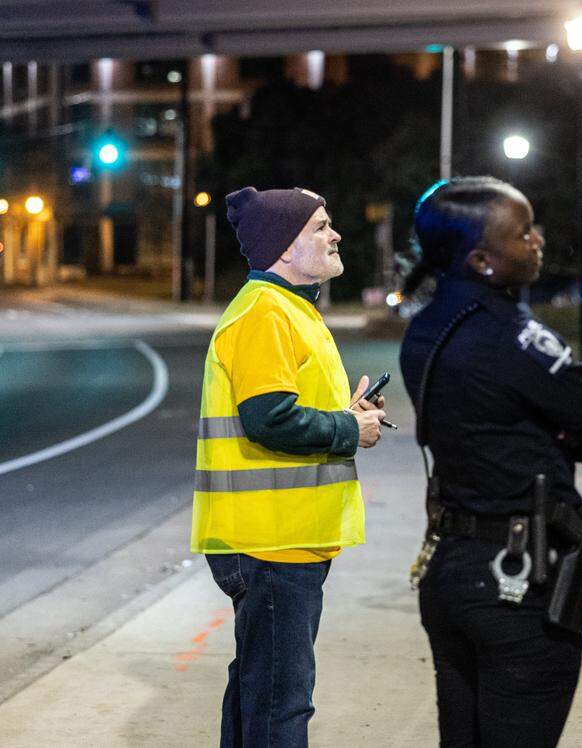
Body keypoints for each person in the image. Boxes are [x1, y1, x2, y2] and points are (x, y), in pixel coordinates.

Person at [399, 176, 582, 747]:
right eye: (523, 232)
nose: (538, 239)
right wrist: (556, 428)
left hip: (450, 570)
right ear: (481, 260)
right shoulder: (516, 338)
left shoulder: (424, 330)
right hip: (517, 581)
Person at [191, 186, 385, 747]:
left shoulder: (287, 308)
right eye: (321, 226)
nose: (335, 234)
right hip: (269, 543)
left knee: (260, 691)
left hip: (280, 537)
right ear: (283, 246)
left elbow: (285, 409)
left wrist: (348, 416)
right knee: (281, 705)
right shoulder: (266, 314)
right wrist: (349, 429)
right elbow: (270, 420)